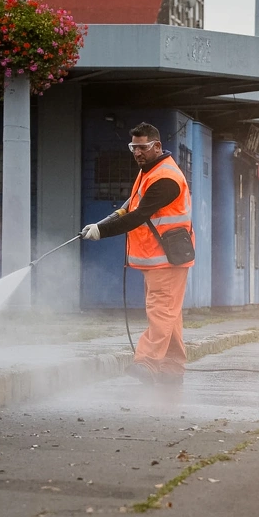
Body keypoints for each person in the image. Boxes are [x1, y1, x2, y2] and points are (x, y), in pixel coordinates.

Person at [80, 122, 195, 386]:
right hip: (163, 257)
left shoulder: (165, 178)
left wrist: (102, 231)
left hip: (167, 258)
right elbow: (130, 206)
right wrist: (104, 222)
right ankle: (173, 367)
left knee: (161, 312)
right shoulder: (150, 171)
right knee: (169, 313)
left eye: (142, 147)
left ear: (157, 146)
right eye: (133, 147)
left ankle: (147, 362)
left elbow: (139, 215)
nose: (137, 153)